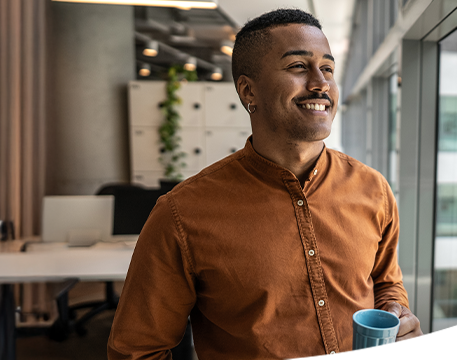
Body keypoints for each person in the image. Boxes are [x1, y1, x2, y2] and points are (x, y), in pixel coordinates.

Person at [107, 9, 422, 359]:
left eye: (328, 69)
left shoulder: (373, 189)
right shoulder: (182, 214)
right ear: (248, 91)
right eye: (298, 67)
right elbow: (137, 351)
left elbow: (386, 281)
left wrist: (397, 312)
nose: (321, 83)